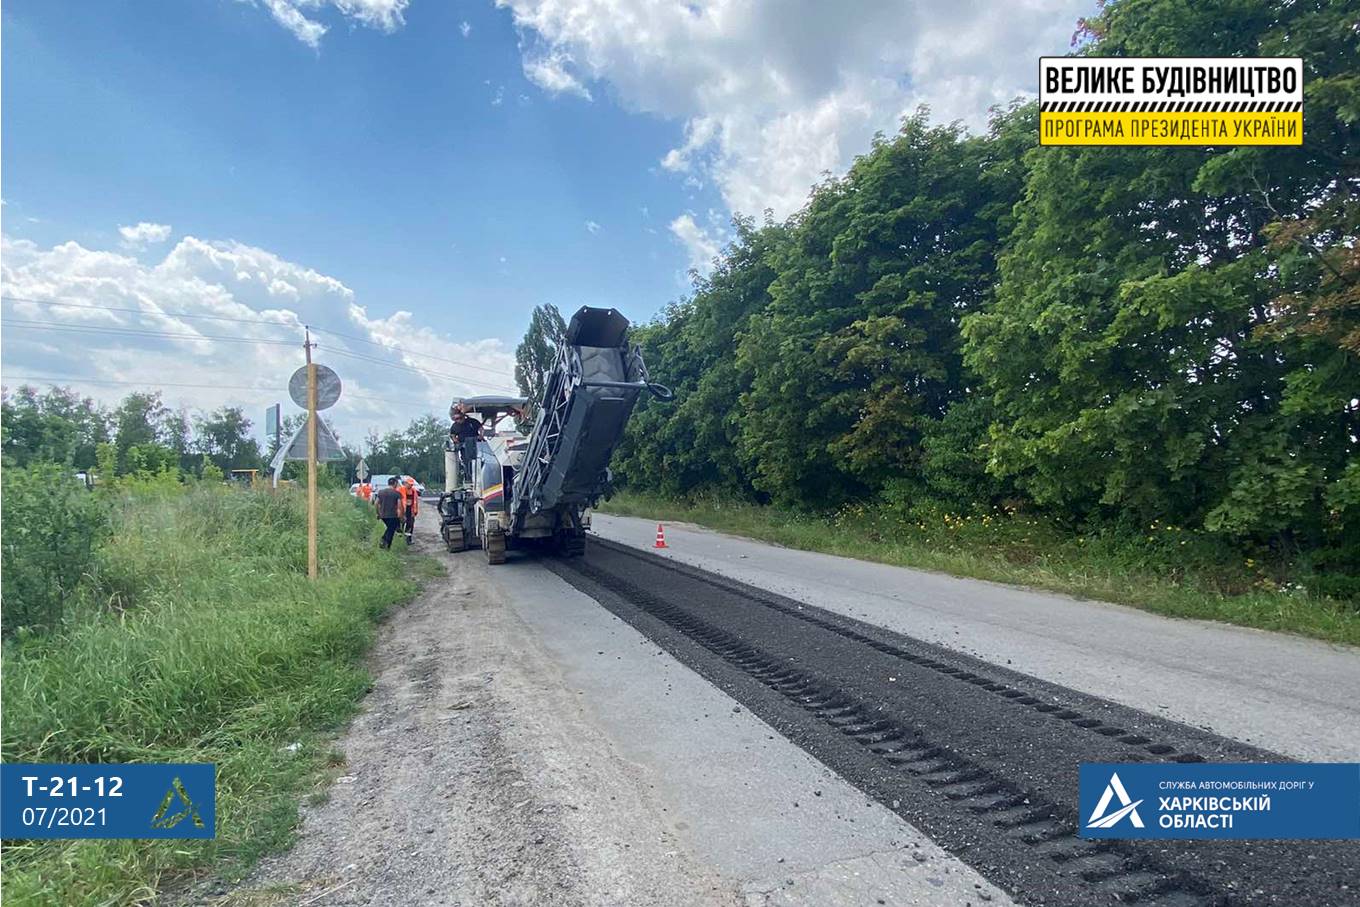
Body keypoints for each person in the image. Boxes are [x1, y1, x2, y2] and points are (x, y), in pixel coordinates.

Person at [450, 406, 484, 483]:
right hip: (464, 447)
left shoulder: (472, 422)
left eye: (459, 418)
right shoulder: (455, 426)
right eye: (456, 419)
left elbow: (481, 428)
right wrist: (456, 442)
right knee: (466, 462)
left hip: (475, 445)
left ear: (463, 416)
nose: (458, 420)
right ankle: (469, 479)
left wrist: (481, 436)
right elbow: (452, 435)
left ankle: (479, 477)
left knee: (478, 461)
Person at [373, 476, 404, 549]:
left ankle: (385, 545)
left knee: (390, 529)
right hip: (393, 515)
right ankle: (384, 542)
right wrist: (401, 517)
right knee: (391, 530)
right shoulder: (397, 493)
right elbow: (400, 507)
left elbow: (376, 503)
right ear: (395, 483)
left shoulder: (381, 492)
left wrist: (378, 513)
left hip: (383, 515)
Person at [399, 476, 420, 543]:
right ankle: (400, 540)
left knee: (410, 525)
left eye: (412, 484)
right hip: (402, 510)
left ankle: (408, 540)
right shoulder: (400, 490)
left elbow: (416, 501)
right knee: (401, 524)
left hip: (410, 510)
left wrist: (416, 510)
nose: (411, 485)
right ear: (405, 483)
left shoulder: (414, 491)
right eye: (409, 484)